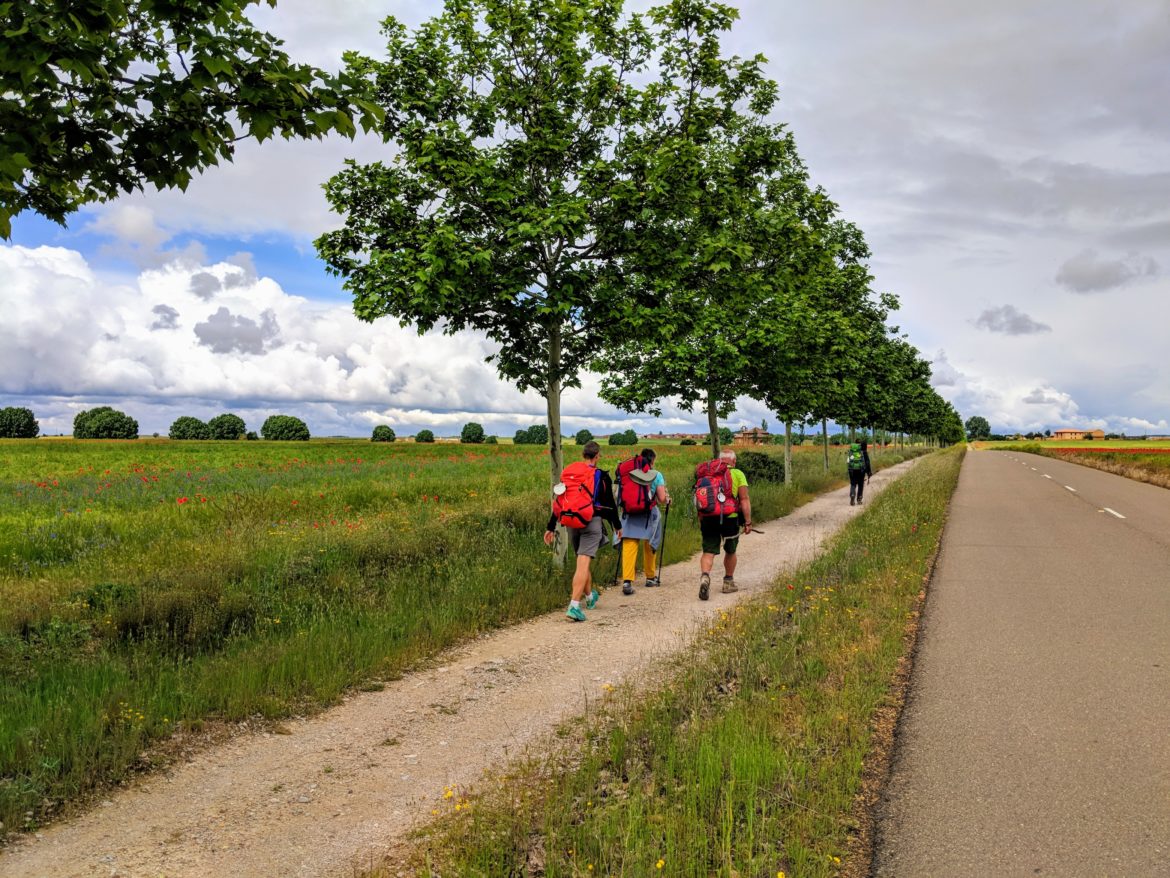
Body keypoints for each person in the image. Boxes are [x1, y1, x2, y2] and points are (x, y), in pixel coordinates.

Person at [544, 441, 622, 621]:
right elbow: (610, 504)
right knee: (583, 563)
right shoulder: (600, 475)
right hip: (591, 522)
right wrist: (616, 526)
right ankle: (574, 606)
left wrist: (551, 526)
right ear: (597, 456)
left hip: (571, 522)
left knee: (582, 561)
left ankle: (589, 596)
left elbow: (560, 502)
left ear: (583, 455)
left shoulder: (569, 473)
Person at [698, 449, 751, 601]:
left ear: (719, 460)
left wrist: (701, 518)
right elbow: (744, 499)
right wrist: (748, 521)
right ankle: (728, 581)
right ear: (733, 462)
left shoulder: (707, 474)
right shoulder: (738, 474)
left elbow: (700, 499)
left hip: (708, 517)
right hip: (730, 517)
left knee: (708, 550)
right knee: (730, 550)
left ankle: (705, 577)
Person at [617, 448, 671, 595]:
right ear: (652, 460)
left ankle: (627, 581)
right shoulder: (656, 475)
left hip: (630, 513)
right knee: (650, 543)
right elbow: (661, 499)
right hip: (649, 514)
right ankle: (650, 577)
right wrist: (667, 500)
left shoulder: (628, 472)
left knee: (630, 543)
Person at [847, 440, 872, 506]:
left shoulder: (851, 451)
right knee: (860, 484)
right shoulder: (864, 452)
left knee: (853, 483)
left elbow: (848, 461)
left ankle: (852, 494)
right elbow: (867, 463)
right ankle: (859, 499)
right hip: (861, 471)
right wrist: (869, 472)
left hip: (852, 470)